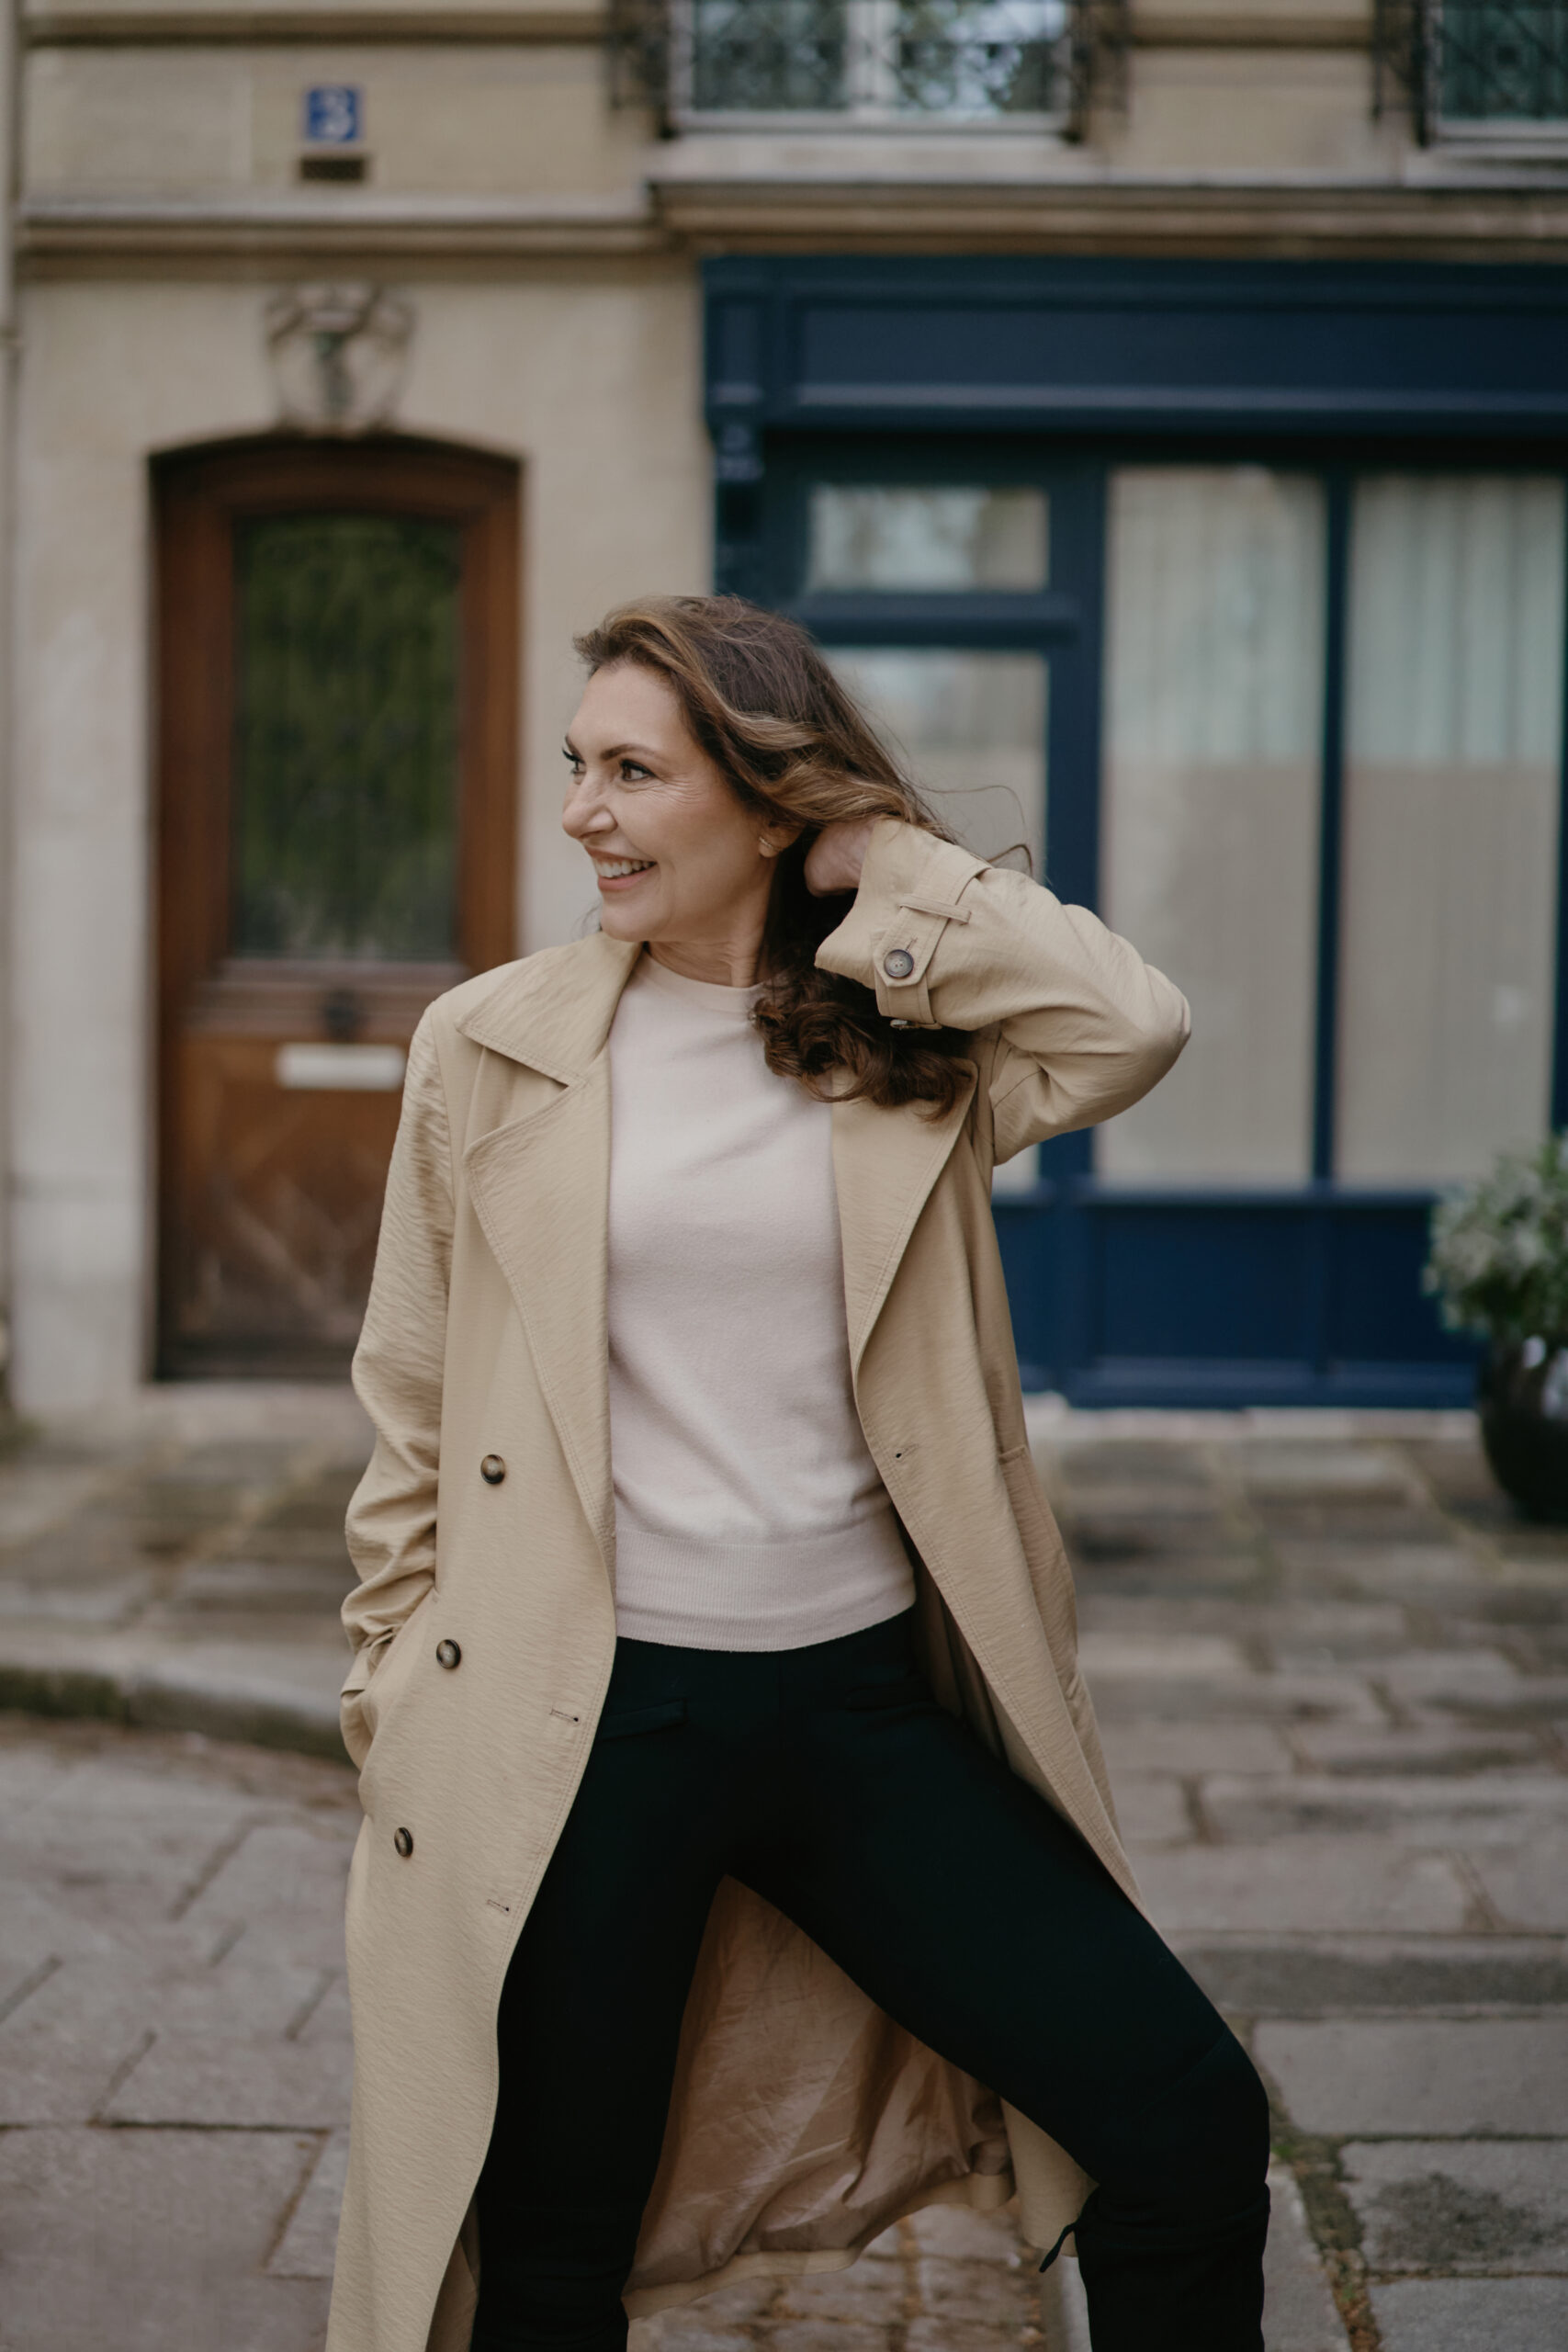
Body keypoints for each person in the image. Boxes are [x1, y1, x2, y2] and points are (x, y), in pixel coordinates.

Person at [327, 596, 1270, 2352]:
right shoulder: (490, 1043)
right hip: (585, 1716)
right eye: (576, 769)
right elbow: (412, 1401)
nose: (583, 815)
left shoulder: (902, 1041)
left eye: (633, 773)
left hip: (857, 1707)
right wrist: (392, 1688)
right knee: (548, 2242)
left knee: (1183, 2121)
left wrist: (890, 857)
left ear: (765, 802)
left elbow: (1129, 1022)